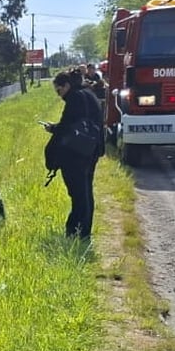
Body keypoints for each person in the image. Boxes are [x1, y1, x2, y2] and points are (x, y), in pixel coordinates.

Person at [44, 68, 104, 240]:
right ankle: (84, 230)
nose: (59, 95)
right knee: (86, 191)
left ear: (67, 85)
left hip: (76, 153)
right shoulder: (89, 94)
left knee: (78, 194)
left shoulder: (75, 98)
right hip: (92, 149)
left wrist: (53, 130)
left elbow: (66, 127)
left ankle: (76, 231)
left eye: (59, 90)